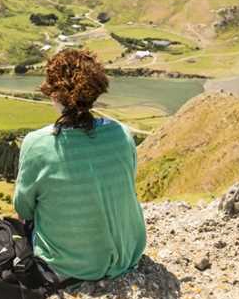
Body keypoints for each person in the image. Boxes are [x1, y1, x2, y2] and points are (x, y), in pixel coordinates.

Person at [13, 49, 146, 281]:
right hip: (128, 255)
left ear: (53, 93)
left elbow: (24, 209)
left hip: (68, 267)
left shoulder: (37, 144)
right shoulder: (122, 133)